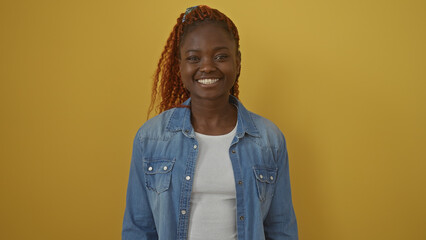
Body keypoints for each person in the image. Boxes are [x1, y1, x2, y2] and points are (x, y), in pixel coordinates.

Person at [122, 5, 298, 240]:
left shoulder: (268, 139)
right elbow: (138, 229)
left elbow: (281, 228)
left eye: (221, 56)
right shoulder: (151, 138)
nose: (207, 66)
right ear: (180, 65)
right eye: (194, 58)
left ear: (238, 60)